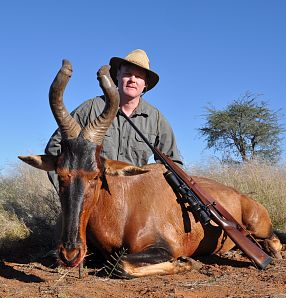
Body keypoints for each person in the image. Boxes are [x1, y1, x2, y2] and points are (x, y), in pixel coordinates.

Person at [45, 49, 183, 191]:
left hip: (134, 200)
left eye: (139, 76)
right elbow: (54, 147)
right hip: (94, 197)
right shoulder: (92, 107)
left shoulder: (156, 119)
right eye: (127, 74)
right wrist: (67, 190)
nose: (132, 80)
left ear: (145, 84)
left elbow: (174, 165)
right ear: (117, 75)